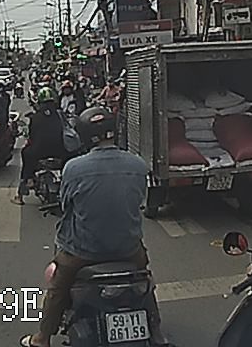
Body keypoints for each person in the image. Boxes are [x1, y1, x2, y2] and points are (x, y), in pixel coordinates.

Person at [21, 107, 168, 347]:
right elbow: (139, 200)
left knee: (58, 288)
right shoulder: (138, 164)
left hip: (83, 252)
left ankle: (42, 338)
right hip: (128, 249)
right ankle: (157, 332)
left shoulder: (74, 168)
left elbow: (66, 204)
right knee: (145, 280)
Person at [13, 88, 68, 206]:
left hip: (39, 151)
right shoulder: (60, 115)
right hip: (60, 150)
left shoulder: (35, 117)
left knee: (25, 153)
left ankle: (25, 185)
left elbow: (31, 136)